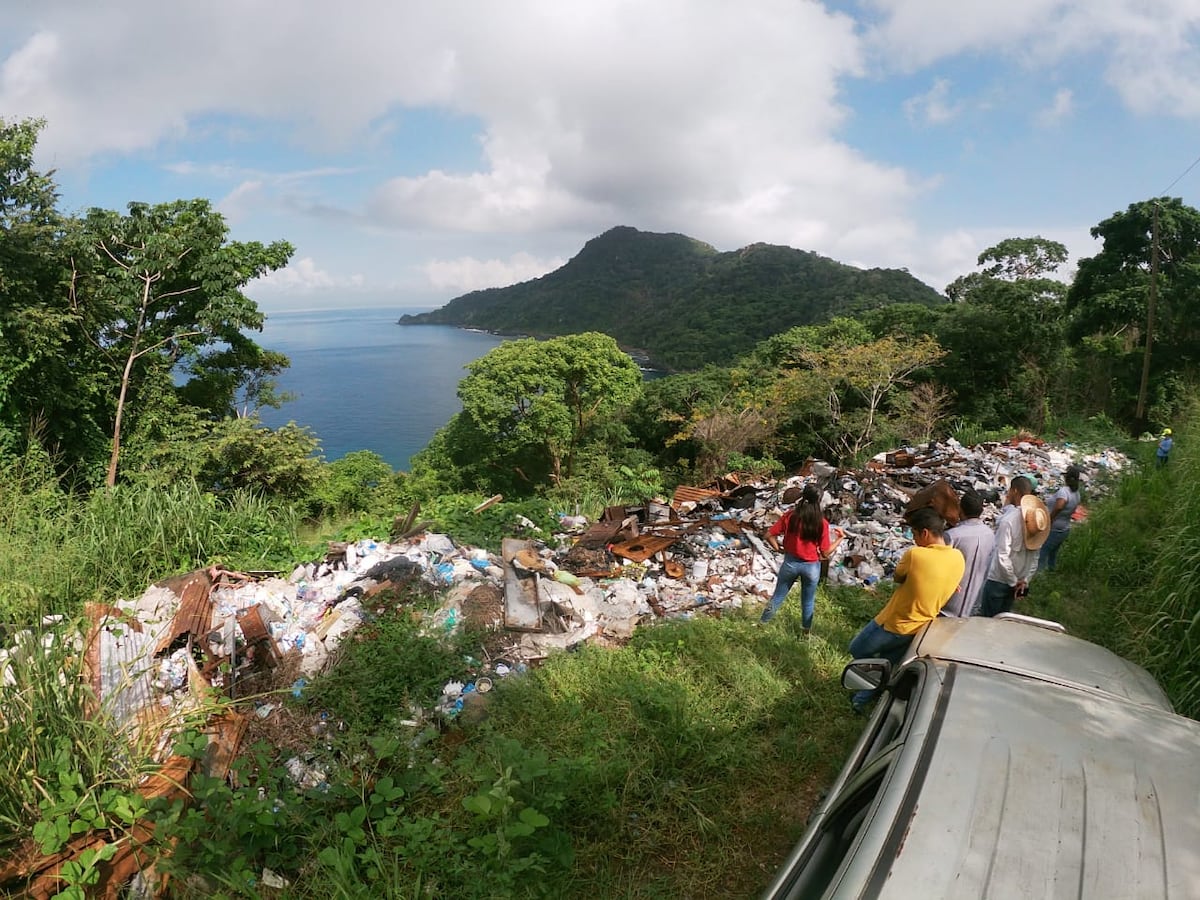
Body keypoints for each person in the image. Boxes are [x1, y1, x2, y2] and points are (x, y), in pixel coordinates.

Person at [847, 507, 965, 711]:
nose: (913, 539)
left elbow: (898, 576)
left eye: (914, 534)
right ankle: (861, 700)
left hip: (894, 622)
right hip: (922, 627)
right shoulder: (958, 558)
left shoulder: (916, 554)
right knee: (890, 663)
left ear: (925, 533)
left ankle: (867, 678)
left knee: (857, 649)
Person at [978, 476, 1050, 617]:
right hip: (1018, 584)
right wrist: (1024, 581)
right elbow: (1035, 559)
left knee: (987, 620)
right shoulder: (1039, 522)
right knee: (1004, 618)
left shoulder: (1009, 521)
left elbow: (1002, 555)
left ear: (1014, 491)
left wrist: (1013, 582)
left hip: (1000, 581)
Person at [761, 483, 829, 634]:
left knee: (777, 597)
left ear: (803, 496)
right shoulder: (822, 523)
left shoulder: (791, 516)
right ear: (819, 501)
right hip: (811, 566)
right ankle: (805, 633)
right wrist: (839, 540)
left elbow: (768, 535)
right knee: (808, 601)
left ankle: (762, 624)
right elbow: (825, 553)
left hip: (790, 562)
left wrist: (778, 548)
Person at [942, 490, 994, 617]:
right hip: (974, 601)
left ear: (960, 509)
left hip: (949, 603)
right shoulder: (990, 534)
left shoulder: (952, 536)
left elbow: (942, 569)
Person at [1038, 465, 1082, 572]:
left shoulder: (1064, 491)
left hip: (1054, 528)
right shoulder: (1076, 493)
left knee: (1042, 553)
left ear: (1066, 477)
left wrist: (1050, 519)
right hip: (1064, 528)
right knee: (1053, 553)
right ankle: (1051, 573)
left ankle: (1039, 577)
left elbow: (1059, 506)